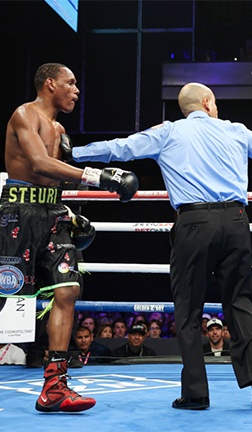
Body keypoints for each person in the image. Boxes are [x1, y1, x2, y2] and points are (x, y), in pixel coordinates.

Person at [71, 82, 252, 409]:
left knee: (188, 310)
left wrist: (71, 153)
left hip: (193, 224)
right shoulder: (235, 131)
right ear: (206, 103)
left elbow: (118, 148)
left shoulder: (168, 132)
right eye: (215, 102)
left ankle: (196, 393)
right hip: (235, 221)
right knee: (240, 301)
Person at [1, 63, 138, 413]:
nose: (76, 90)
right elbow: (39, 164)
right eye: (71, 83)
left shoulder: (60, 130)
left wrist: (72, 215)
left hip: (53, 214)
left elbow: (59, 180)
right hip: (18, 213)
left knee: (68, 290)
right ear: (50, 84)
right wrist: (99, 177)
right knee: (5, 296)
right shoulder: (24, 115)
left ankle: (55, 387)